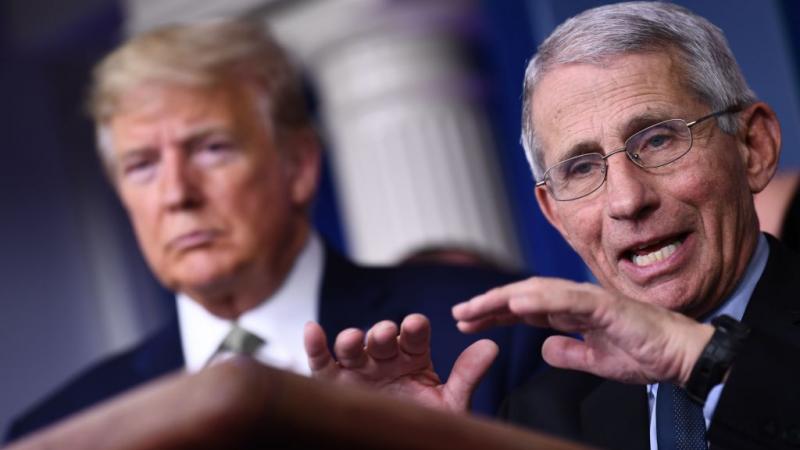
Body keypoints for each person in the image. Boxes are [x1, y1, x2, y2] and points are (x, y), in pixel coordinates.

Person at [5, 20, 548, 442]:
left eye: (211, 149)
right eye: (142, 165)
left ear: (299, 165)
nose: (177, 194)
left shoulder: (490, 331)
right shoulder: (64, 429)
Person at [304, 2, 800, 449]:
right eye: (582, 168)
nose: (627, 200)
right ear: (554, 214)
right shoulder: (542, 416)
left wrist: (704, 360)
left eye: (658, 141)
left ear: (753, 147)